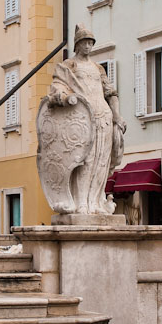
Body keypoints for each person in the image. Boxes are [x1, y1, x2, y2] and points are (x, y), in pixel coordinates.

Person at [44, 24, 126, 214]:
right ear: (77, 45)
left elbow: (111, 93)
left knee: (102, 161)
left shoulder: (98, 68)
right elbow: (58, 86)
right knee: (83, 160)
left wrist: (117, 116)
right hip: (82, 118)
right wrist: (62, 95)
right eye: (85, 43)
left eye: (90, 43)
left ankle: (96, 202)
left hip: (103, 116)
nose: (88, 46)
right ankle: (81, 202)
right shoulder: (68, 66)